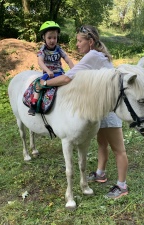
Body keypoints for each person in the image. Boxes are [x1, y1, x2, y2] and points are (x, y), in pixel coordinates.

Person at [38, 25, 129, 199]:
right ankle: (100, 173)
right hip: (98, 107)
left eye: (80, 41)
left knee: (118, 149)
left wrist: (45, 84)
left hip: (107, 107)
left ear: (91, 41)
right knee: (102, 143)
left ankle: (122, 185)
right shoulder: (98, 55)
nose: (77, 45)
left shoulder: (93, 55)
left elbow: (67, 77)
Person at [28, 21, 74, 116]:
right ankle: (33, 104)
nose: (52, 40)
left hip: (59, 73)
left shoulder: (59, 49)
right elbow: (40, 61)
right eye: (49, 38)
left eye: (55, 38)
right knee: (38, 85)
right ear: (44, 37)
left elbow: (67, 59)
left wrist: (74, 70)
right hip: (48, 74)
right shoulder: (43, 50)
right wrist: (48, 70)